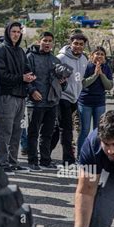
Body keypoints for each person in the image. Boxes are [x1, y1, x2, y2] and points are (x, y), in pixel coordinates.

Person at [0, 22, 35, 174]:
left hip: (21, 96)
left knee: (17, 130)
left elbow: (27, 69)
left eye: (18, 31)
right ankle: (3, 164)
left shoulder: (21, 51)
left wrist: (29, 76)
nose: (16, 34)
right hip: (6, 96)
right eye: (13, 31)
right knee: (5, 131)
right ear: (7, 32)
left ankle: (13, 162)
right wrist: (21, 78)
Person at [25, 31, 65, 171]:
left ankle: (45, 160)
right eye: (45, 40)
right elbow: (25, 77)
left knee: (47, 134)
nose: (47, 43)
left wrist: (62, 81)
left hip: (52, 102)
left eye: (50, 41)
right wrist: (32, 91)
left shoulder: (56, 60)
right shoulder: (30, 57)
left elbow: (62, 85)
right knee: (33, 133)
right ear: (39, 41)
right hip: (35, 102)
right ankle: (32, 161)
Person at [56, 32, 88, 165]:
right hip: (63, 97)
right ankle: (68, 159)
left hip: (75, 98)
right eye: (75, 43)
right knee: (67, 129)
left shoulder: (84, 59)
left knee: (57, 129)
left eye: (81, 44)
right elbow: (55, 78)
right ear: (70, 44)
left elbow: (80, 80)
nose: (78, 46)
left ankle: (44, 154)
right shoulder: (61, 58)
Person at [77, 46, 113, 154]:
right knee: (85, 130)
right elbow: (83, 84)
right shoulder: (86, 66)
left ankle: (95, 154)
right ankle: (81, 155)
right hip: (85, 102)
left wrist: (101, 74)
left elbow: (109, 86)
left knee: (99, 131)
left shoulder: (106, 68)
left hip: (99, 103)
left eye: (102, 54)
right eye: (97, 54)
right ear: (91, 56)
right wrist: (95, 75)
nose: (99, 56)